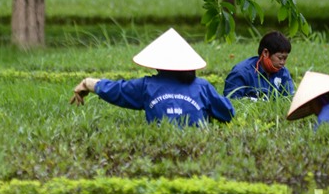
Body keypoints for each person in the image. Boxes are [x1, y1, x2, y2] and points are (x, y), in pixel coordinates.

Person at [70, 28, 235, 127]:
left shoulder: (146, 86)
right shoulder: (202, 87)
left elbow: (116, 91)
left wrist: (88, 83)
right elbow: (228, 112)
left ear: (157, 63)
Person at [223, 31, 294, 100]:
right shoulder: (241, 72)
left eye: (285, 58)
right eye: (280, 58)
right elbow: (232, 101)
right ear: (265, 53)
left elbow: (289, 99)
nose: (283, 62)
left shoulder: (283, 72)